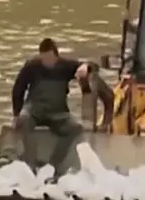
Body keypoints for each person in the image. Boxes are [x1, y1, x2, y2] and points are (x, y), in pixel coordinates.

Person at [10, 38, 89, 170]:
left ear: (56, 56)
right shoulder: (31, 66)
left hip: (57, 113)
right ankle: (31, 162)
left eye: (49, 58)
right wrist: (16, 114)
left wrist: (85, 67)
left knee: (75, 128)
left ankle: (54, 164)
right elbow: (18, 89)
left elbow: (90, 66)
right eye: (44, 59)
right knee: (23, 120)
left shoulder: (65, 66)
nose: (47, 62)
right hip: (35, 110)